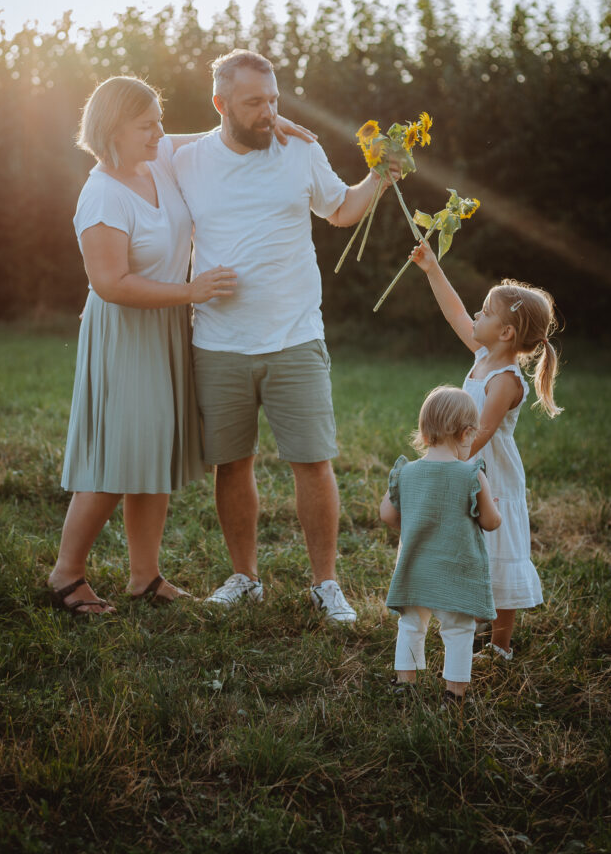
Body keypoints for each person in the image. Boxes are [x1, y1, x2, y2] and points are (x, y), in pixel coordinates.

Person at [49, 75, 310, 615]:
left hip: (168, 328)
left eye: (159, 123)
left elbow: (219, 136)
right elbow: (110, 283)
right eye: (148, 126)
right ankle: (65, 576)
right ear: (113, 130)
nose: (160, 133)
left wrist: (267, 119)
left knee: (156, 454)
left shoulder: (158, 160)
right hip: (125, 334)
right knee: (116, 459)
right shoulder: (101, 193)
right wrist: (190, 290)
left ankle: (144, 578)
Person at [172, 49, 401, 624]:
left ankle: (326, 584)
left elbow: (341, 210)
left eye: (273, 100)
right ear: (219, 103)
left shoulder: (301, 149)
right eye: (253, 102)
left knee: (314, 461)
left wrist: (378, 175)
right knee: (233, 463)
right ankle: (245, 577)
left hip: (296, 334)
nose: (268, 112)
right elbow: (131, 138)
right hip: (220, 341)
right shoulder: (188, 159)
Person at [411, 239, 563, 659]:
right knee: (471, 542)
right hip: (465, 464)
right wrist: (431, 269)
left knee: (499, 550)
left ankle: (500, 645)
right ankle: (475, 614)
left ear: (506, 333)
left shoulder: (506, 380)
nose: (476, 316)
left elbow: (479, 434)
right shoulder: (482, 354)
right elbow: (456, 312)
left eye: (486, 312)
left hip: (488, 472)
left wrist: (443, 458)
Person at [380, 386, 501, 706]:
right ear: (466, 433)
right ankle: (454, 695)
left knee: (410, 625)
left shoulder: (405, 472)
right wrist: (494, 506)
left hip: (415, 569)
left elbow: (387, 514)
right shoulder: (472, 475)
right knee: (458, 631)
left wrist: (416, 518)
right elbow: (490, 521)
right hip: (455, 573)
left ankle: (405, 686)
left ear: (424, 430)